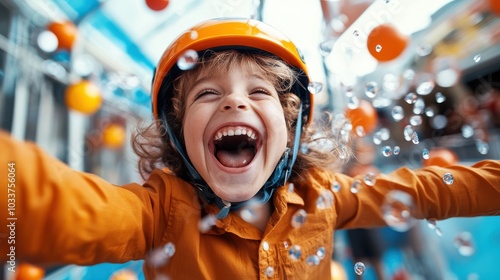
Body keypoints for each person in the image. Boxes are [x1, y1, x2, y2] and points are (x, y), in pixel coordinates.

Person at [1, 18, 499, 280]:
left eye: (259, 92)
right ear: (177, 132)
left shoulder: (323, 198)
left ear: (289, 127)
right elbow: (51, 204)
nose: (235, 99)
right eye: (208, 93)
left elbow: (435, 189)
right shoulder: (158, 215)